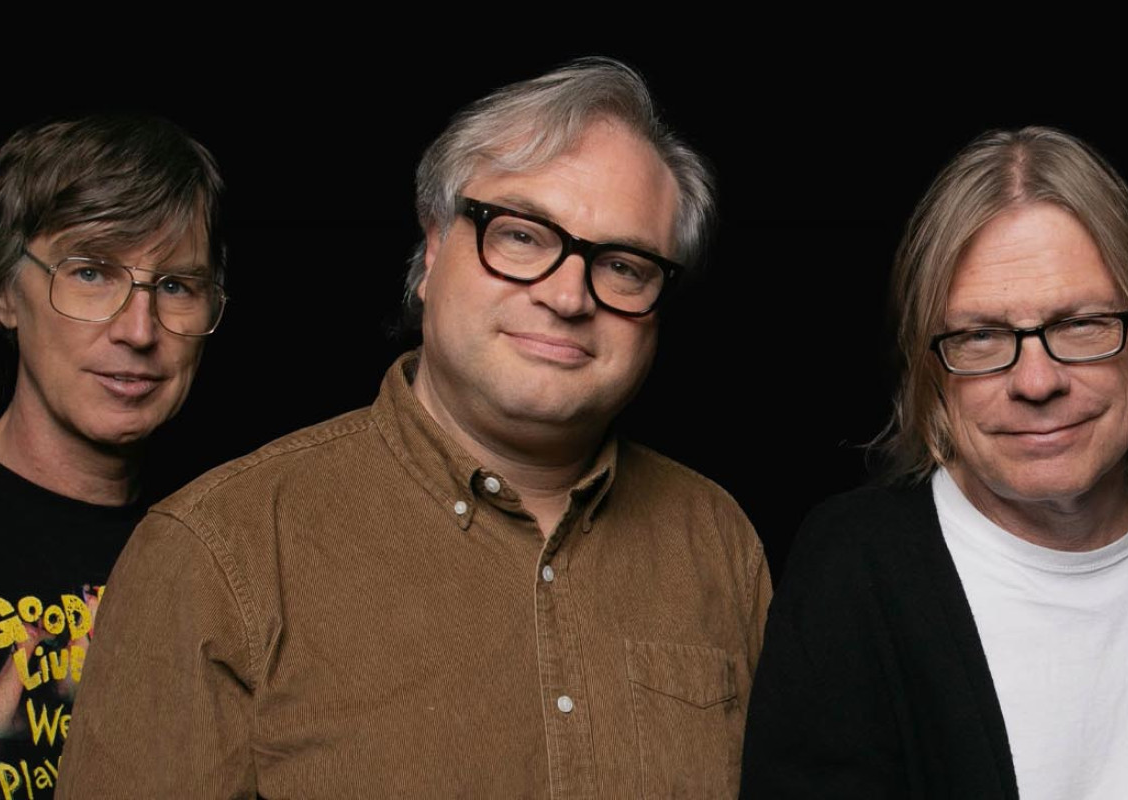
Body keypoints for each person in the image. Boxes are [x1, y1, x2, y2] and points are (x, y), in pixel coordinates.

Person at [58, 58, 769, 798]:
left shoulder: (717, 542)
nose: (567, 296)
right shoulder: (217, 550)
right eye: (522, 236)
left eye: (623, 265)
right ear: (432, 251)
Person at [741, 126, 1128, 799]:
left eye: (1080, 324)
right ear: (930, 368)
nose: (1036, 381)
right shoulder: (853, 572)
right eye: (980, 336)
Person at [0, 114, 226, 799]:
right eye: (91, 273)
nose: (139, 330)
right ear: (4, 290)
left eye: (177, 285)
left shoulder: (236, 544)